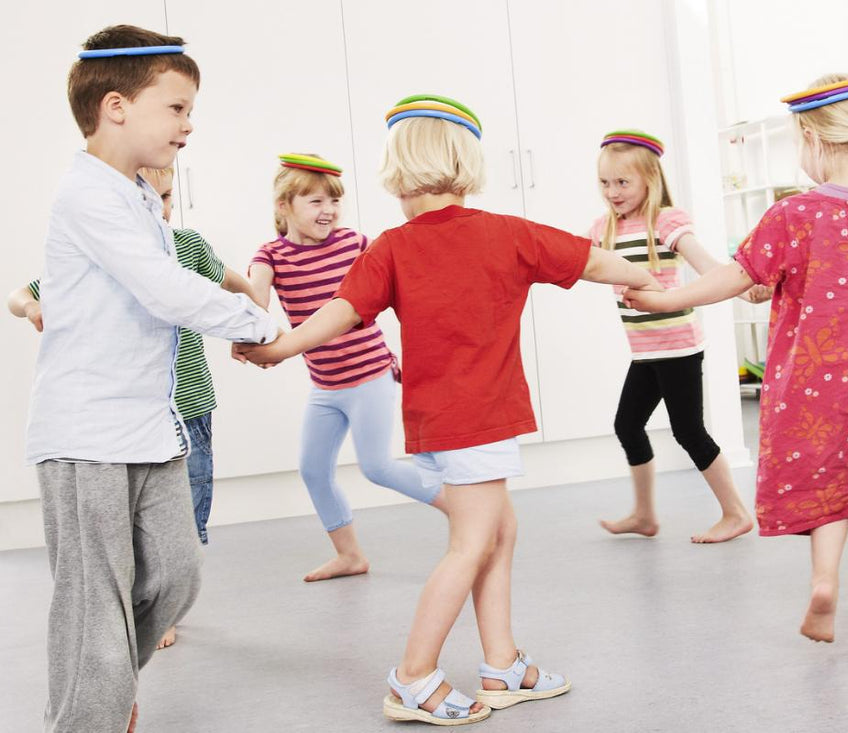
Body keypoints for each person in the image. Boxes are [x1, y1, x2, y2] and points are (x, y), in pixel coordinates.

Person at [236, 94, 661, 724]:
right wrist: (651, 281)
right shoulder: (508, 233)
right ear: (467, 162)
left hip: (439, 420)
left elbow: (340, 312)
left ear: (398, 168)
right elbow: (598, 260)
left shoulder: (390, 247)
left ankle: (502, 663)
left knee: (500, 529)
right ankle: (413, 676)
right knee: (471, 543)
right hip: (479, 417)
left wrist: (282, 348)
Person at [623, 75, 848, 651]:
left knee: (830, 486)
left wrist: (663, 298)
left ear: (813, 139)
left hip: (816, 388)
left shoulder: (792, 215)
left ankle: (824, 585)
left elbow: (733, 278)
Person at [26, 25, 279, 732]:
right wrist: (260, 327)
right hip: (87, 434)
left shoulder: (139, 200)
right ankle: (89, 713)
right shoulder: (86, 195)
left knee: (176, 575)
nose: (188, 124)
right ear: (116, 107)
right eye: (176, 107)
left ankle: (100, 687)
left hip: (149, 427)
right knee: (93, 604)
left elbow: (177, 279)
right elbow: (163, 289)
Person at [7, 166, 255, 649]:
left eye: (163, 197)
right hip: (132, 418)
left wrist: (253, 325)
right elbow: (21, 294)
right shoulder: (102, 248)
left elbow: (236, 283)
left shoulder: (187, 246)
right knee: (138, 520)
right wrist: (32, 308)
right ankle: (150, 607)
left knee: (191, 512)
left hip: (190, 407)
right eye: (142, 197)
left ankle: (168, 599)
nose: (156, 208)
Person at [249, 153, 440, 583]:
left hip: (369, 375)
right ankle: (350, 555)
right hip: (325, 385)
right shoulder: (271, 255)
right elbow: (256, 298)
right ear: (284, 206)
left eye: (334, 201)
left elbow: (404, 286)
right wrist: (249, 335)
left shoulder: (354, 243)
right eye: (315, 202)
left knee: (377, 467)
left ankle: (464, 511)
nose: (328, 211)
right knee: (313, 470)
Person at [591, 130, 753, 543]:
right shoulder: (604, 228)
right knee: (628, 425)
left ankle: (735, 513)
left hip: (677, 347)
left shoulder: (664, 221)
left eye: (623, 182)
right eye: (606, 182)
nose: (613, 191)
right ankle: (644, 515)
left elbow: (706, 265)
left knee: (688, 431)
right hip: (645, 351)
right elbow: (571, 260)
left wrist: (743, 283)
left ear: (650, 179)